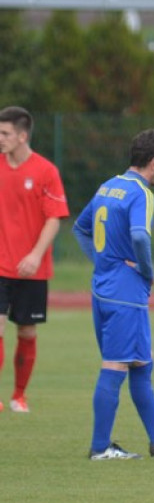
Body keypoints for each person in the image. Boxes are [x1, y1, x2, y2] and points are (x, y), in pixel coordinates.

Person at [72, 129, 154, 460]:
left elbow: (80, 228)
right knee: (114, 366)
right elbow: (140, 236)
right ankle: (100, 448)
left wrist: (104, 262)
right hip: (125, 293)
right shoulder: (141, 192)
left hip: (105, 289)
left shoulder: (108, 186)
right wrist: (147, 272)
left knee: (141, 363)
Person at [0, 106, 70, 414]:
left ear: (22, 135)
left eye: (5, 133)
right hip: (1, 265)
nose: (0, 138)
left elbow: (54, 219)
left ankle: (19, 395)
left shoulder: (46, 171)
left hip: (33, 269)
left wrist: (34, 255)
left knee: (26, 332)